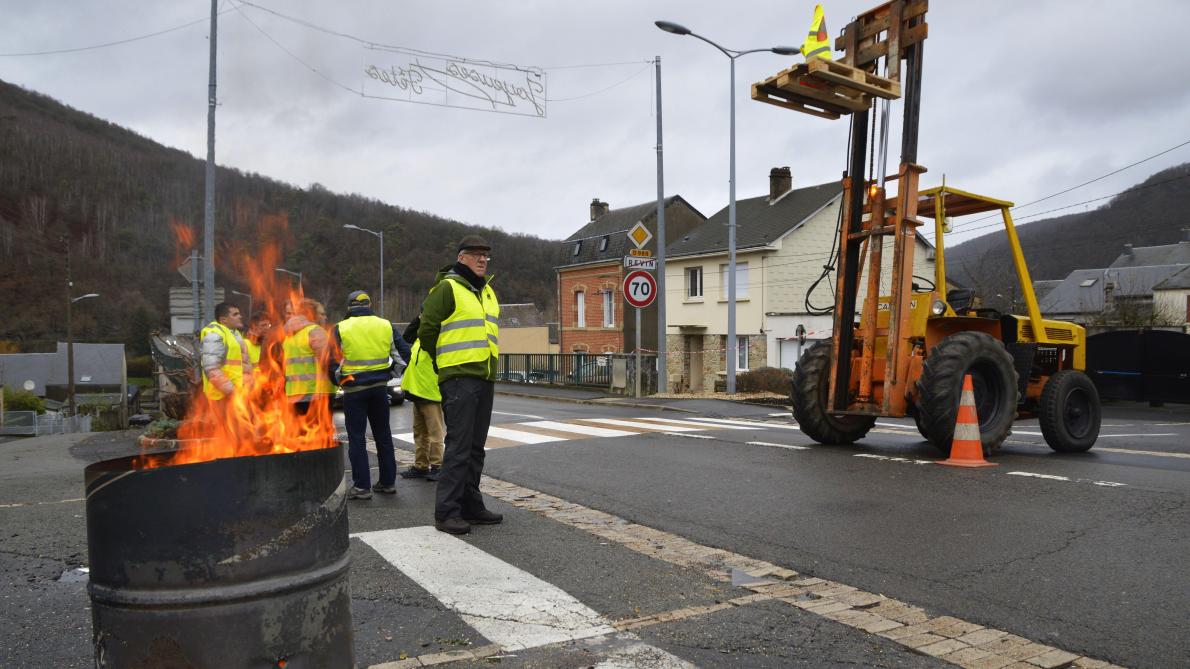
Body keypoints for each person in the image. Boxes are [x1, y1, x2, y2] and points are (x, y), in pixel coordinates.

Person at [418, 235, 502, 535]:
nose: (482, 260)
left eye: (486, 256)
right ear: (461, 257)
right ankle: (447, 512)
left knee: (476, 447)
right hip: (459, 376)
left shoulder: (488, 291)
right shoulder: (447, 288)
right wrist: (443, 362)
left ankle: (471, 505)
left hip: (485, 375)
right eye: (476, 254)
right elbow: (427, 329)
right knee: (458, 445)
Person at [332, 290, 411, 500]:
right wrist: (389, 374)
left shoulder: (341, 328)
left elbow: (330, 363)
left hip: (354, 392)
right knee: (383, 436)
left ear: (349, 307)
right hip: (379, 389)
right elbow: (404, 355)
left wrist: (340, 381)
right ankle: (387, 483)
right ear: (369, 305)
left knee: (357, 438)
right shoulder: (385, 325)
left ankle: (362, 487)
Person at [399, 314, 445, 482]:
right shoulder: (420, 337)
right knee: (420, 433)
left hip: (431, 392)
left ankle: (438, 466)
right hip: (417, 391)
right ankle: (421, 466)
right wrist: (418, 318)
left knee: (435, 433)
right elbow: (407, 336)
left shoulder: (437, 336)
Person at [283, 299, 334, 416]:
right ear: (312, 315)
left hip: (294, 395)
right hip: (317, 394)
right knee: (320, 433)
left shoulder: (289, 336)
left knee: (301, 434)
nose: (325, 317)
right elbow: (328, 362)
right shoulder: (315, 332)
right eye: (321, 314)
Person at [200, 302, 251, 402]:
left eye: (239, 313)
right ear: (223, 320)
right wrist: (232, 392)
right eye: (235, 314)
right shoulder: (214, 334)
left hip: (236, 396)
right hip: (221, 398)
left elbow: (242, 365)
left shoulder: (234, 334)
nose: (240, 316)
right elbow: (212, 370)